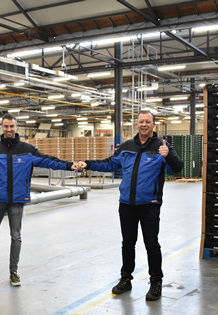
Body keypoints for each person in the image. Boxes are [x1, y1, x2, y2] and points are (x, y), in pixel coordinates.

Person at [75, 110, 183, 301]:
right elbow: (109, 164)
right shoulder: (126, 147)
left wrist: (168, 156)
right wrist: (88, 164)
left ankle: (156, 281)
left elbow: (178, 168)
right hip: (127, 204)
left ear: (153, 125)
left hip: (150, 204)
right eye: (141, 121)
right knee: (127, 243)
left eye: (147, 122)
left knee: (151, 243)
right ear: (137, 124)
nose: (144, 125)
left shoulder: (162, 146)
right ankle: (126, 278)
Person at [0, 113, 78, 287]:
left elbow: (49, 161)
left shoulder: (27, 150)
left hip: (17, 200)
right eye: (6, 126)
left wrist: (69, 165)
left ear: (16, 127)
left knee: (16, 236)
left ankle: (14, 272)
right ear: (2, 127)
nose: (9, 129)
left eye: (11, 126)